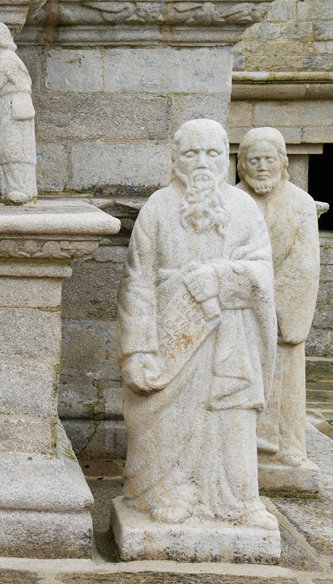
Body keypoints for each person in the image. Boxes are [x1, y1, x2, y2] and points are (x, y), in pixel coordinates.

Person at [117, 119, 278, 530]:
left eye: (212, 153)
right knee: (164, 412)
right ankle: (162, 493)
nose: (202, 162)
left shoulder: (244, 210)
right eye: (191, 153)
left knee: (231, 414)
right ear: (175, 159)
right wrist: (137, 350)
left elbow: (262, 273)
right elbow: (136, 284)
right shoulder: (157, 208)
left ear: (225, 159)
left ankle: (237, 500)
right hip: (172, 336)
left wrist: (221, 278)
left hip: (230, 337)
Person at [237, 127, 321, 474]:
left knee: (283, 382)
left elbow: (305, 263)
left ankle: (287, 448)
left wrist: (274, 307)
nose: (261, 167)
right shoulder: (233, 201)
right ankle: (239, 447)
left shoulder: (300, 203)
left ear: (283, 162)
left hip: (281, 315)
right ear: (241, 165)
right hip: (240, 313)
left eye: (269, 159)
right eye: (253, 160)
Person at [0, 22, 37, 204]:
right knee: (0, 149)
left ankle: (20, 188)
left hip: (14, 106)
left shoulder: (7, 58)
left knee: (14, 149)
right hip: (4, 106)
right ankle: (2, 189)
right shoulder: (0, 59)